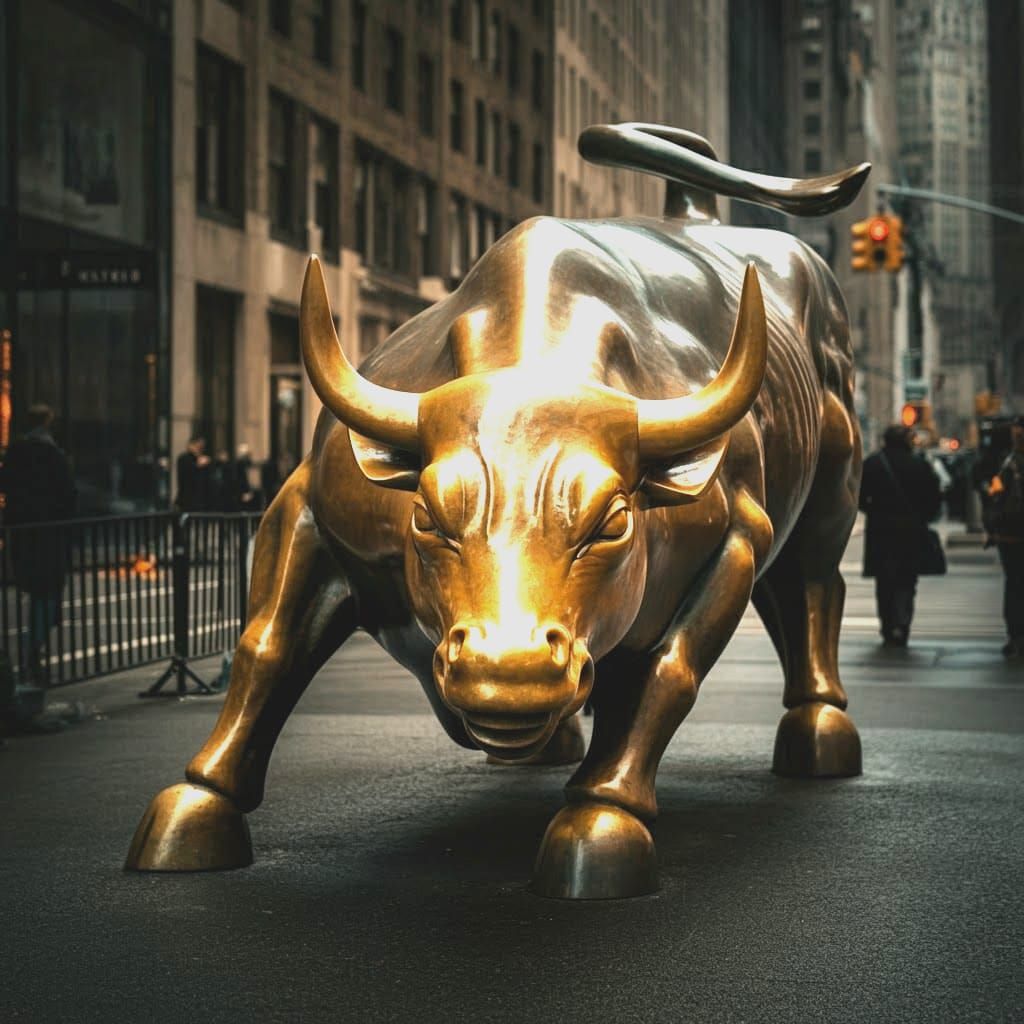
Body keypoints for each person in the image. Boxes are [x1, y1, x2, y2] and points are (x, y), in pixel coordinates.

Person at [0, 403, 76, 682]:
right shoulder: (53, 454)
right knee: (47, 593)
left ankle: (29, 654)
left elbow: (5, 484)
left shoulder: (16, 452)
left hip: (23, 531)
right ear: (47, 422)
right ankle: (33, 653)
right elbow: (68, 494)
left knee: (34, 591)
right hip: (49, 533)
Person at [859, 424, 942, 647]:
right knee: (907, 579)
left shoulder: (873, 464)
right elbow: (934, 498)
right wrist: (922, 517)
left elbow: (859, 496)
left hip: (881, 530)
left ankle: (887, 626)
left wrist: (874, 510)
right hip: (911, 530)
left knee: (884, 581)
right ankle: (902, 624)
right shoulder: (919, 464)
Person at [981, 415, 1024, 657]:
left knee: (1014, 584)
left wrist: (991, 529)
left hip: (1010, 535)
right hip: (1011, 534)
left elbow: (993, 497)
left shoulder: (1007, 463)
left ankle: (1016, 636)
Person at [174, 435, 211, 512]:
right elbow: (185, 476)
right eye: (197, 446)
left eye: (201, 447)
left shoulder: (201, 459)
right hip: (188, 499)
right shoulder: (184, 458)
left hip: (201, 500)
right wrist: (198, 465)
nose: (199, 450)